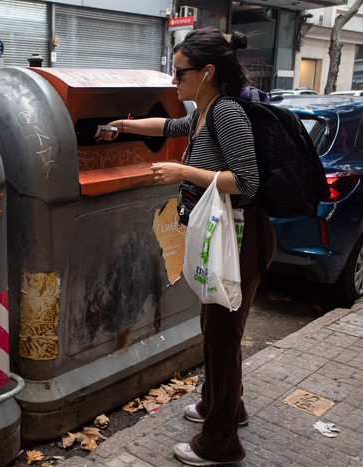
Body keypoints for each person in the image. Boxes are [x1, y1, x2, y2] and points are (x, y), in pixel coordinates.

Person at [97, 27, 276, 466]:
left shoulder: (227, 113)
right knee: (217, 332)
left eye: (180, 74)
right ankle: (227, 407)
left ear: (208, 72)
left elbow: (247, 182)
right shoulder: (204, 111)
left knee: (221, 335)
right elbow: (167, 124)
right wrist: (121, 126)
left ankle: (221, 443)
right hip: (221, 237)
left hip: (239, 239)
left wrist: (184, 172)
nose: (174, 81)